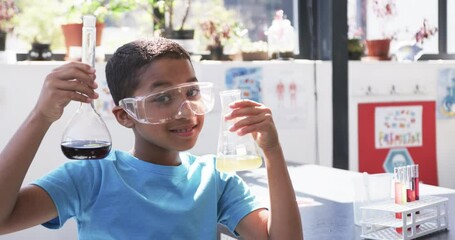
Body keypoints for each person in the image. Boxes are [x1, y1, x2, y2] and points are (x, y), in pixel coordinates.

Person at [0, 38, 302, 239]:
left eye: (192, 92)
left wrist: (272, 151)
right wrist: (41, 116)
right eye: (163, 98)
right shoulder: (92, 175)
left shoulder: (215, 179)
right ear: (124, 115)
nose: (185, 111)